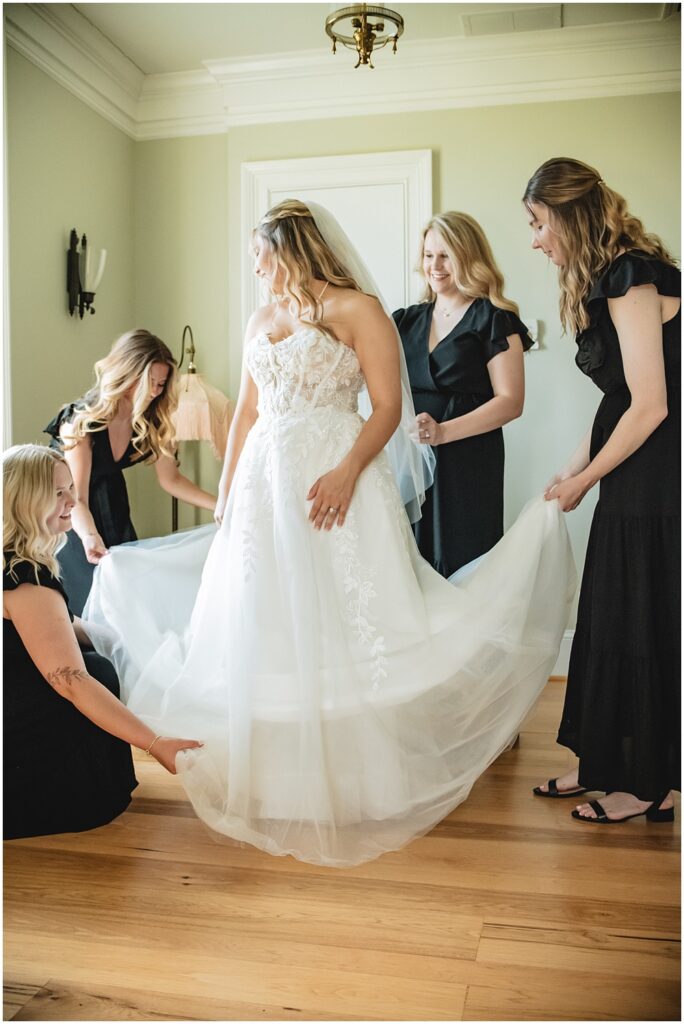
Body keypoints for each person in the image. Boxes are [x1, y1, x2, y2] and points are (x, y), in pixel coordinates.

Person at [84, 200, 576, 867]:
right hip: (265, 489)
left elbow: (388, 404)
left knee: (350, 619)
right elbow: (249, 417)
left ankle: (364, 777)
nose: (254, 265)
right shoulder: (262, 318)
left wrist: (348, 470)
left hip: (339, 479)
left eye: (260, 253)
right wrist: (228, 496)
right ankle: (274, 780)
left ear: (288, 248)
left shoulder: (357, 309)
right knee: (270, 623)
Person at [525, 157, 679, 824]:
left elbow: (651, 406)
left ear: (567, 215)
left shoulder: (630, 273)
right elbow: (618, 400)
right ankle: (604, 764)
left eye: (537, 224)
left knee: (637, 620)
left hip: (656, 472)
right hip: (630, 467)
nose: (535, 240)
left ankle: (648, 785)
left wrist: (588, 479)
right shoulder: (611, 277)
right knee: (615, 615)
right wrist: (574, 465)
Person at [2, 444, 202, 840]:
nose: (72, 501)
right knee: (94, 671)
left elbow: (59, 626)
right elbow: (69, 680)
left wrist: (127, 636)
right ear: (25, 499)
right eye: (58, 492)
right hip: (18, 731)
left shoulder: (13, 560)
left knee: (99, 651)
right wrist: (155, 743)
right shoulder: (25, 577)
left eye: (70, 488)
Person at [393, 212, 533, 577]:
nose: (434, 266)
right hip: (412, 459)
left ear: (468, 257)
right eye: (428, 255)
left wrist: (443, 432)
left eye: (445, 256)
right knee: (410, 560)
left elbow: (510, 401)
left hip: (469, 459)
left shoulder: (493, 319)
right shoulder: (405, 320)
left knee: (465, 560)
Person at [44, 329, 216, 615]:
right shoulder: (82, 422)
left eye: (161, 384)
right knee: (89, 608)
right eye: (150, 382)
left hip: (114, 507)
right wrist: (89, 537)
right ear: (127, 374)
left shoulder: (148, 419)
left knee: (126, 603)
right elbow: (78, 499)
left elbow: (170, 479)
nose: (156, 392)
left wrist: (222, 504)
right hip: (71, 517)